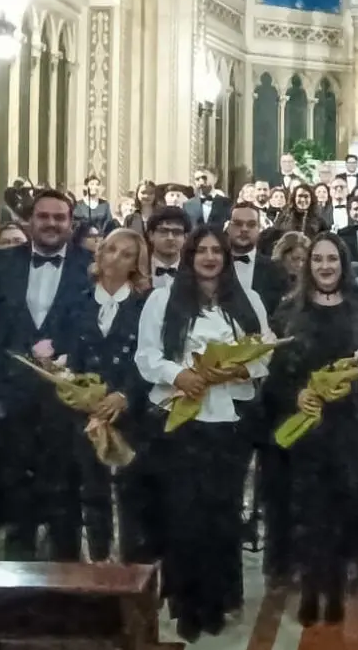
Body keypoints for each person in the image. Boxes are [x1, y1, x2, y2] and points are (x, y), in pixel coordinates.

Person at [135, 226, 269, 642]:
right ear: (190, 256)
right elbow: (147, 356)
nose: (210, 257)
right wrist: (181, 374)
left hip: (230, 421)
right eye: (202, 251)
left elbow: (266, 354)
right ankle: (187, 603)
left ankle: (220, 598)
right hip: (181, 419)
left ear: (227, 258)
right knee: (184, 514)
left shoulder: (248, 301)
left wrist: (241, 367)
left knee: (223, 514)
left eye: (217, 251)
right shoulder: (162, 299)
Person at [263, 234, 358, 624]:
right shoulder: (288, 311)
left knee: (343, 512)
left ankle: (335, 590)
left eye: (332, 259)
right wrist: (296, 395)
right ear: (307, 266)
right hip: (306, 427)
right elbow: (274, 375)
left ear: (343, 264)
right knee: (308, 513)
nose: (324, 266)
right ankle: (311, 590)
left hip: (352, 427)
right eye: (317, 259)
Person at [0, 190, 93, 560]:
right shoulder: (1, 263)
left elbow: (92, 325)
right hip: (14, 395)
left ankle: (66, 580)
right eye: (44, 217)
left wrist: (64, 353)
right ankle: (17, 580)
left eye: (59, 217)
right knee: (16, 488)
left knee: (65, 492)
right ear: (29, 222)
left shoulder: (89, 265)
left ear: (71, 223)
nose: (51, 224)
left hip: (67, 398)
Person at [68, 229, 151, 562]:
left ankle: (133, 569)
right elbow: (69, 356)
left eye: (127, 254)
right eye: (111, 249)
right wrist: (82, 395)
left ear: (136, 264)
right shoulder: (78, 302)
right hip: (87, 414)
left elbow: (151, 358)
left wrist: (125, 395)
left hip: (130, 414)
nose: (116, 258)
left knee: (133, 493)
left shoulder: (146, 306)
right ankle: (99, 564)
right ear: (99, 254)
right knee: (92, 492)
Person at [184, 166, 233, 230]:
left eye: (204, 178)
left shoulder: (227, 203)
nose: (201, 182)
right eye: (197, 179)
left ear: (215, 179)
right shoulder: (188, 205)